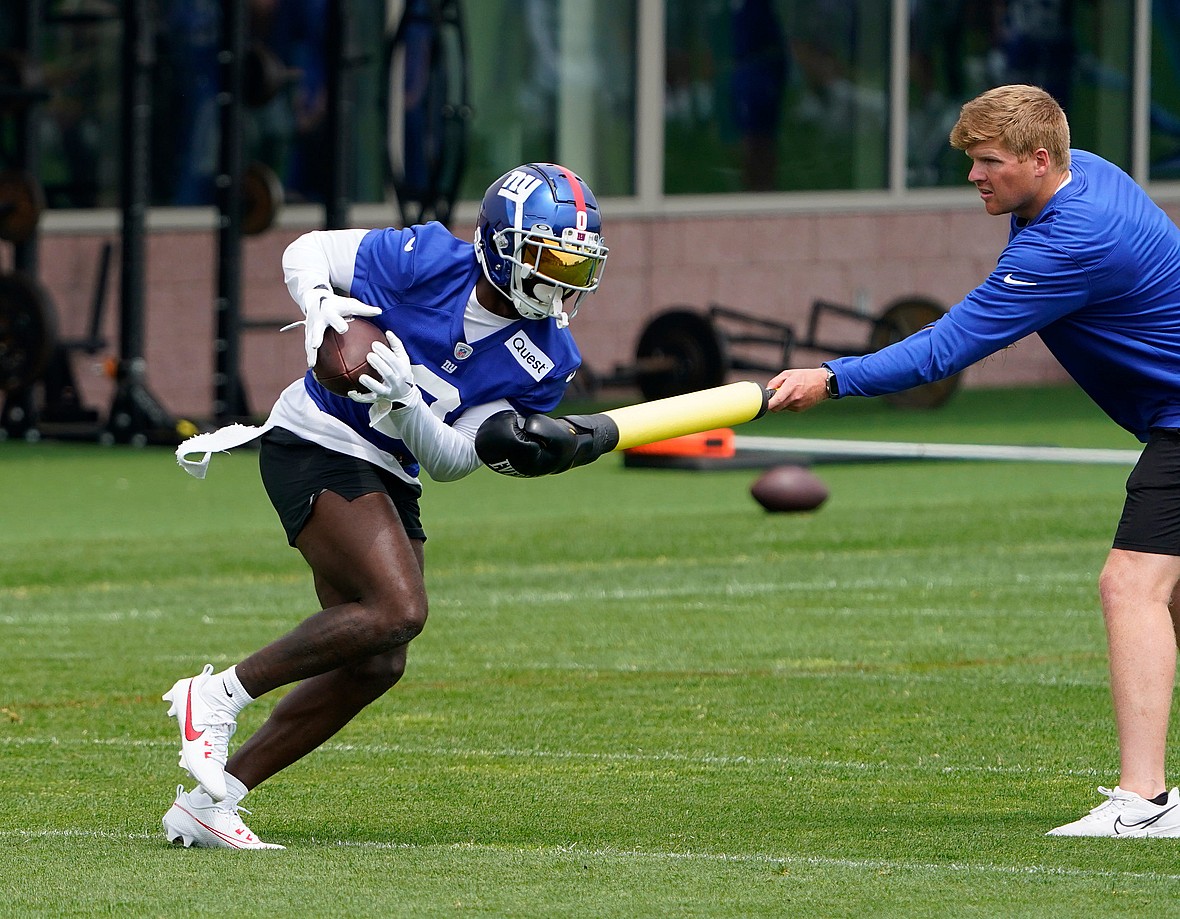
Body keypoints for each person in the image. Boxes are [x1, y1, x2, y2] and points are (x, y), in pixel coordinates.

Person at [766, 84, 1180, 838]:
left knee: (1131, 585)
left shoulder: (1070, 238)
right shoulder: (1083, 173)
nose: (974, 176)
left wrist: (831, 377)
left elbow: (946, 349)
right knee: (1170, 595)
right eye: (971, 160)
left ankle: (1143, 801)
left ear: (1040, 158)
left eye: (989, 161)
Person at [161, 162, 609, 849]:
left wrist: (405, 404)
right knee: (400, 608)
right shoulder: (428, 257)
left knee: (380, 656)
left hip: (392, 465)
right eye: (549, 259)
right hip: (317, 435)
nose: (562, 282)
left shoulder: (549, 356)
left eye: (576, 266)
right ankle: (217, 694)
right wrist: (319, 303)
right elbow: (306, 250)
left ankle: (209, 803)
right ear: (500, 246)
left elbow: (452, 459)